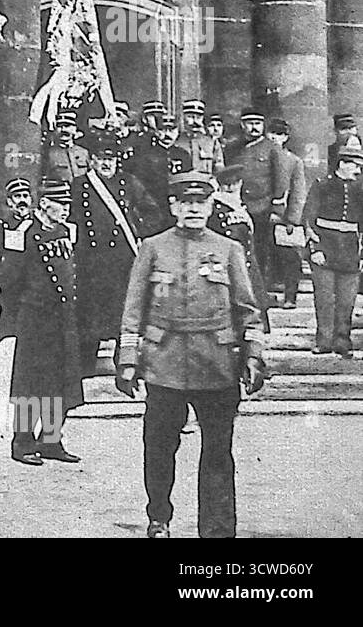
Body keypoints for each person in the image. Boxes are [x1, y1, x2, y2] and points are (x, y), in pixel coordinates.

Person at [117, 170, 266, 539]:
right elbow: (134, 308)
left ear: (212, 206)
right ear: (174, 206)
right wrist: (127, 360)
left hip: (216, 365)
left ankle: (216, 530)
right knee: (159, 447)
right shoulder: (152, 248)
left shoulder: (229, 249)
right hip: (164, 364)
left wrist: (254, 355)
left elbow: (248, 309)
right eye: (186, 203)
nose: (194, 210)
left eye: (201, 203)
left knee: (218, 451)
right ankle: (159, 517)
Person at [1, 179, 84, 465]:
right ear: (45, 203)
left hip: (62, 317)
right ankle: (22, 443)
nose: (65, 210)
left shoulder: (65, 231)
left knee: (61, 380)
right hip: (34, 318)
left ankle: (51, 440)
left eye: (68, 205)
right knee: (30, 383)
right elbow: (7, 281)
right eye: (61, 204)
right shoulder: (22, 233)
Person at [71, 133, 158, 373]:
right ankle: (85, 367)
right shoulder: (79, 186)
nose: (107, 163)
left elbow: (152, 212)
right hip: (90, 261)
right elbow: (70, 221)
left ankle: (126, 365)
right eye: (101, 158)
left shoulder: (129, 183)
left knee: (124, 314)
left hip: (123, 260)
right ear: (92, 161)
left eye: (111, 158)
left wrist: (138, 232)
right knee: (89, 314)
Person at [302, 138, 363, 358]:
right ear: (342, 163)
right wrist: (315, 248)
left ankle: (342, 341)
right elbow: (308, 218)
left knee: (347, 300)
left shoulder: (360, 188)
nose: (358, 169)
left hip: (349, 251)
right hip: (324, 249)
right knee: (325, 298)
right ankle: (324, 340)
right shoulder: (322, 184)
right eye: (354, 165)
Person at [227, 107, 290, 278]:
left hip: (262, 207)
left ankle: (260, 288)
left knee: (260, 249)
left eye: (258, 123)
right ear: (242, 125)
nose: (254, 127)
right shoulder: (232, 147)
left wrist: (277, 209)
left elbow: (281, 180)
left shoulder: (272, 149)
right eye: (250, 123)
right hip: (236, 205)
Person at [209, 164, 271, 335]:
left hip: (248, 263)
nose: (231, 187)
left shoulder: (241, 206)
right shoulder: (216, 208)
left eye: (235, 183)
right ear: (220, 185)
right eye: (227, 184)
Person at [0, 177, 33, 349]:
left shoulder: (37, 224)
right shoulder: (1, 225)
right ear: (9, 201)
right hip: (9, 287)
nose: (22, 200)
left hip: (32, 286)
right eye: (16, 196)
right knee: (8, 331)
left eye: (25, 196)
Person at [267, 117, 308, 309]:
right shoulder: (257, 156)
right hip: (260, 215)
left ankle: (290, 296)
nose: (275, 138)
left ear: (286, 138)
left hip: (283, 217)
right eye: (272, 133)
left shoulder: (293, 161)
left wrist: (292, 219)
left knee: (290, 257)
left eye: (280, 134)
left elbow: (298, 192)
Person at [178, 98, 224, 175]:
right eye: (190, 117)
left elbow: (219, 171)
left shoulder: (212, 143)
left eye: (198, 117)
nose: (195, 121)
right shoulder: (177, 142)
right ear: (183, 118)